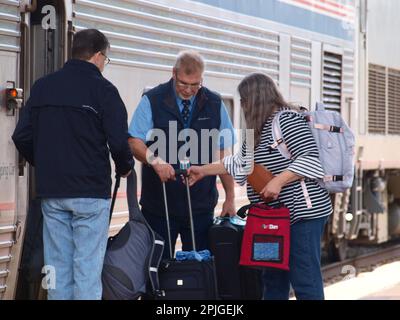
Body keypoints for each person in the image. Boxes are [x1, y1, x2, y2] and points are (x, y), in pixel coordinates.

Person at [187, 73, 333, 300]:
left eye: (244, 100)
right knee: (272, 279)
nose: (243, 106)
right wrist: (202, 171)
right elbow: (238, 163)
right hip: (270, 219)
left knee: (305, 279)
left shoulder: (287, 120)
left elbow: (311, 158)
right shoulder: (253, 130)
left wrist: (278, 180)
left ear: (255, 99)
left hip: (302, 216)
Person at [12, 29, 133, 300]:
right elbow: (118, 141)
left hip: (53, 193)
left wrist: (45, 163)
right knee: (87, 271)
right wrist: (125, 166)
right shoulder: (104, 90)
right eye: (106, 59)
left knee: (58, 270)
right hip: (90, 194)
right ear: (99, 56)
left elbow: (21, 136)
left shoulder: (44, 86)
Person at [128, 50, 236, 258]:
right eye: (183, 83)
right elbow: (134, 141)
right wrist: (155, 161)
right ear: (174, 74)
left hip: (201, 205)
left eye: (195, 85)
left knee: (200, 269)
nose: (188, 90)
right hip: (159, 204)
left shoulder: (214, 103)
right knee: (157, 267)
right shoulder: (152, 100)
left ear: (201, 79)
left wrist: (230, 197)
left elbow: (225, 153)